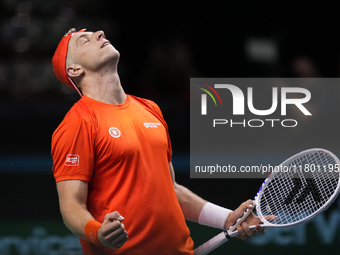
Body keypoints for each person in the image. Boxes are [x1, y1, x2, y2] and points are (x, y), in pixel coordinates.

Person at [51, 28, 264, 255]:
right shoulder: (77, 123)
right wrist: (98, 233)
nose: (100, 34)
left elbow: (170, 190)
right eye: (85, 41)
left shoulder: (149, 109)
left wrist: (227, 218)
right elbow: (71, 206)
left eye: (96, 33)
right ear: (74, 69)